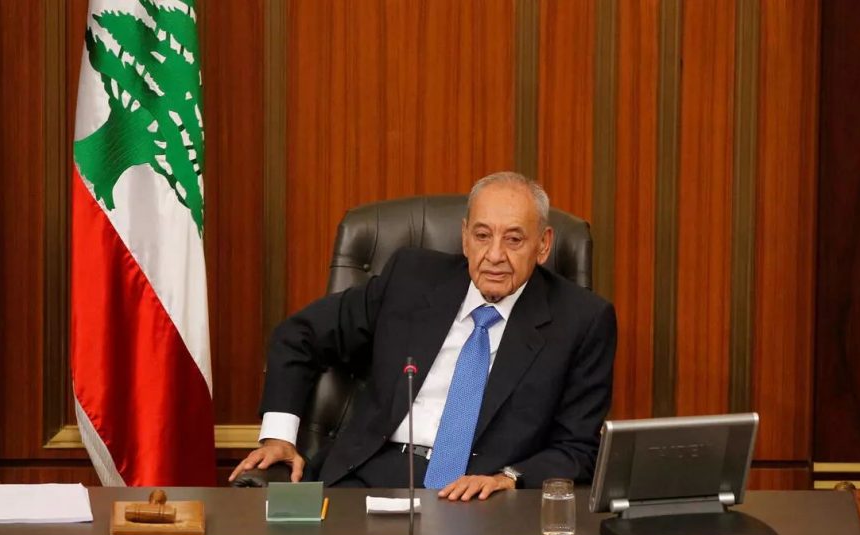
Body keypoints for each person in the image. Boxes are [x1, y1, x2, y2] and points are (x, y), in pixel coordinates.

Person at [229, 171, 617, 501]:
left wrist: (510, 478)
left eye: (514, 239)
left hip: (483, 495)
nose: (495, 255)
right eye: (482, 235)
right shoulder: (411, 280)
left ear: (544, 244)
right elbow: (299, 334)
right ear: (464, 237)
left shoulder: (581, 320)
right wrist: (278, 437)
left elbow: (578, 448)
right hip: (369, 475)